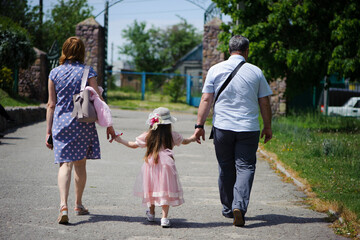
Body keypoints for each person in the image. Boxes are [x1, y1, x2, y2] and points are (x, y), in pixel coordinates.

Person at [193, 35, 273, 227]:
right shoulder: (256, 72)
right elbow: (264, 101)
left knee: (226, 167)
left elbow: (206, 99)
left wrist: (199, 126)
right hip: (248, 128)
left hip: (222, 128)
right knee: (245, 167)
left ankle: (228, 208)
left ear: (228, 50)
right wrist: (268, 126)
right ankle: (240, 206)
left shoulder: (215, 69)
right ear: (247, 51)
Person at [45, 36, 116, 224]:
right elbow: (99, 101)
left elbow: (51, 104)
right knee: (80, 164)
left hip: (60, 123)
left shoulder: (54, 73)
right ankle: (78, 203)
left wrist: (48, 132)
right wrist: (109, 125)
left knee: (64, 164)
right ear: (81, 52)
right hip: (82, 123)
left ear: (64, 51)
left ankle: (63, 205)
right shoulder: (88, 72)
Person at [112, 107, 196, 228]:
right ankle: (164, 218)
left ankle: (151, 213)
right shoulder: (172, 135)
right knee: (165, 191)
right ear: (168, 124)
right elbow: (185, 141)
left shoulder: (148, 135)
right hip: (167, 165)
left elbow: (133, 145)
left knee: (151, 189)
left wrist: (119, 140)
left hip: (151, 165)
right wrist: (193, 137)